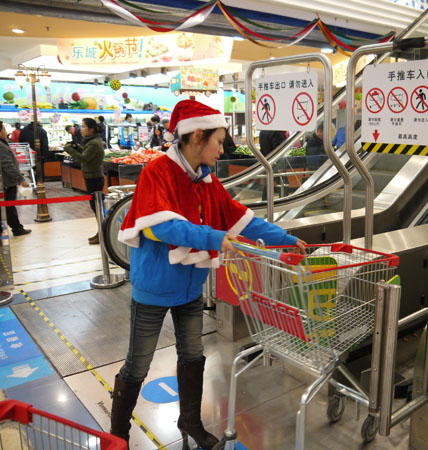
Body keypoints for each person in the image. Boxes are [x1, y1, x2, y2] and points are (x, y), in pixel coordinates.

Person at [110, 99, 306, 449]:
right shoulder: (157, 172)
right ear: (197, 136)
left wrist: (287, 240)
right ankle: (117, 435)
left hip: (190, 286)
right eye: (218, 140)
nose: (222, 148)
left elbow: (241, 217)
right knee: (137, 365)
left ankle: (190, 422)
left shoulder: (206, 180)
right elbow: (164, 228)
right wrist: (215, 238)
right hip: (154, 288)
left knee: (193, 355)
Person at [62, 118, 105, 245]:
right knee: (95, 207)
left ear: (91, 129)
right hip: (91, 177)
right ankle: (101, 233)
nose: (81, 129)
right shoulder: (91, 141)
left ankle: (103, 234)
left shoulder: (94, 143)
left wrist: (69, 149)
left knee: (97, 207)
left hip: (95, 178)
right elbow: (85, 153)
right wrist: (76, 146)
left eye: (84, 127)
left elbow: (83, 158)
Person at [0, 121, 31, 236]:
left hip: (7, 181)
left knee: (9, 206)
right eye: (3, 129)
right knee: (9, 207)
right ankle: (17, 229)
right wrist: (20, 179)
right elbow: (7, 164)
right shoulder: (1, 145)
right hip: (7, 182)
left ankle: (16, 227)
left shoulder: (3, 143)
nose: (5, 132)